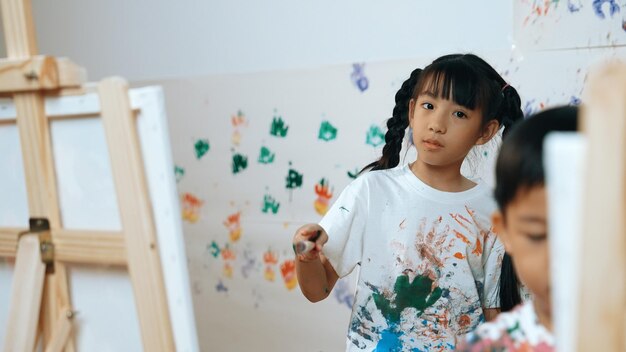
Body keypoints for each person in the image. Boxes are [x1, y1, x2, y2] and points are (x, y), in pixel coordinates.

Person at [292, 53, 524, 351]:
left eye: (459, 114)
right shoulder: (372, 190)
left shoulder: (493, 212)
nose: (437, 124)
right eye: (429, 106)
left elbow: (496, 318)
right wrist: (306, 256)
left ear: (486, 131)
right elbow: (317, 289)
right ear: (412, 111)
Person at [456, 106, 578, 351]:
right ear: (506, 232)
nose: (563, 257)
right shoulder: (489, 346)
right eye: (538, 235)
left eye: (590, 235)